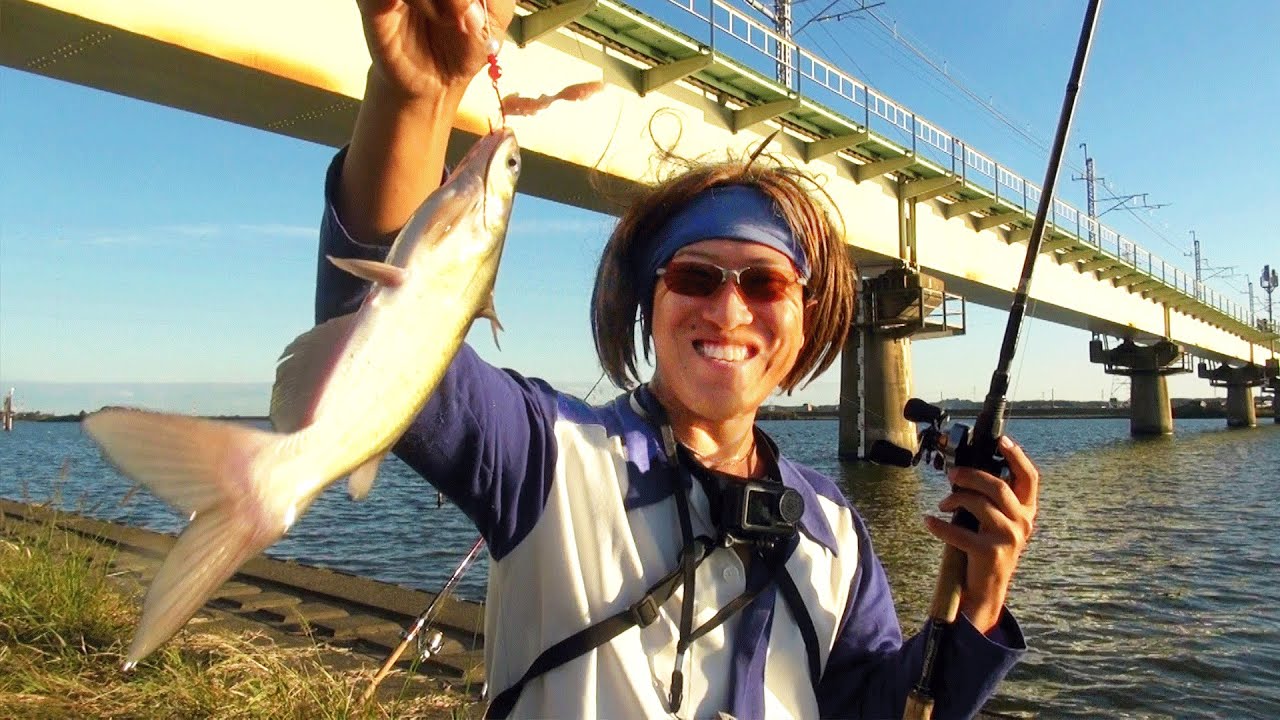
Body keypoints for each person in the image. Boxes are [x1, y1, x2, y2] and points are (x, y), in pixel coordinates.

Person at [319, 0, 1039, 717]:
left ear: (804, 320)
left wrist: (976, 607)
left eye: (765, 284)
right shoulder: (545, 456)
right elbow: (384, 347)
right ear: (648, 305)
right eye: (695, 278)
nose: (728, 311)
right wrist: (415, 97)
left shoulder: (836, 530)